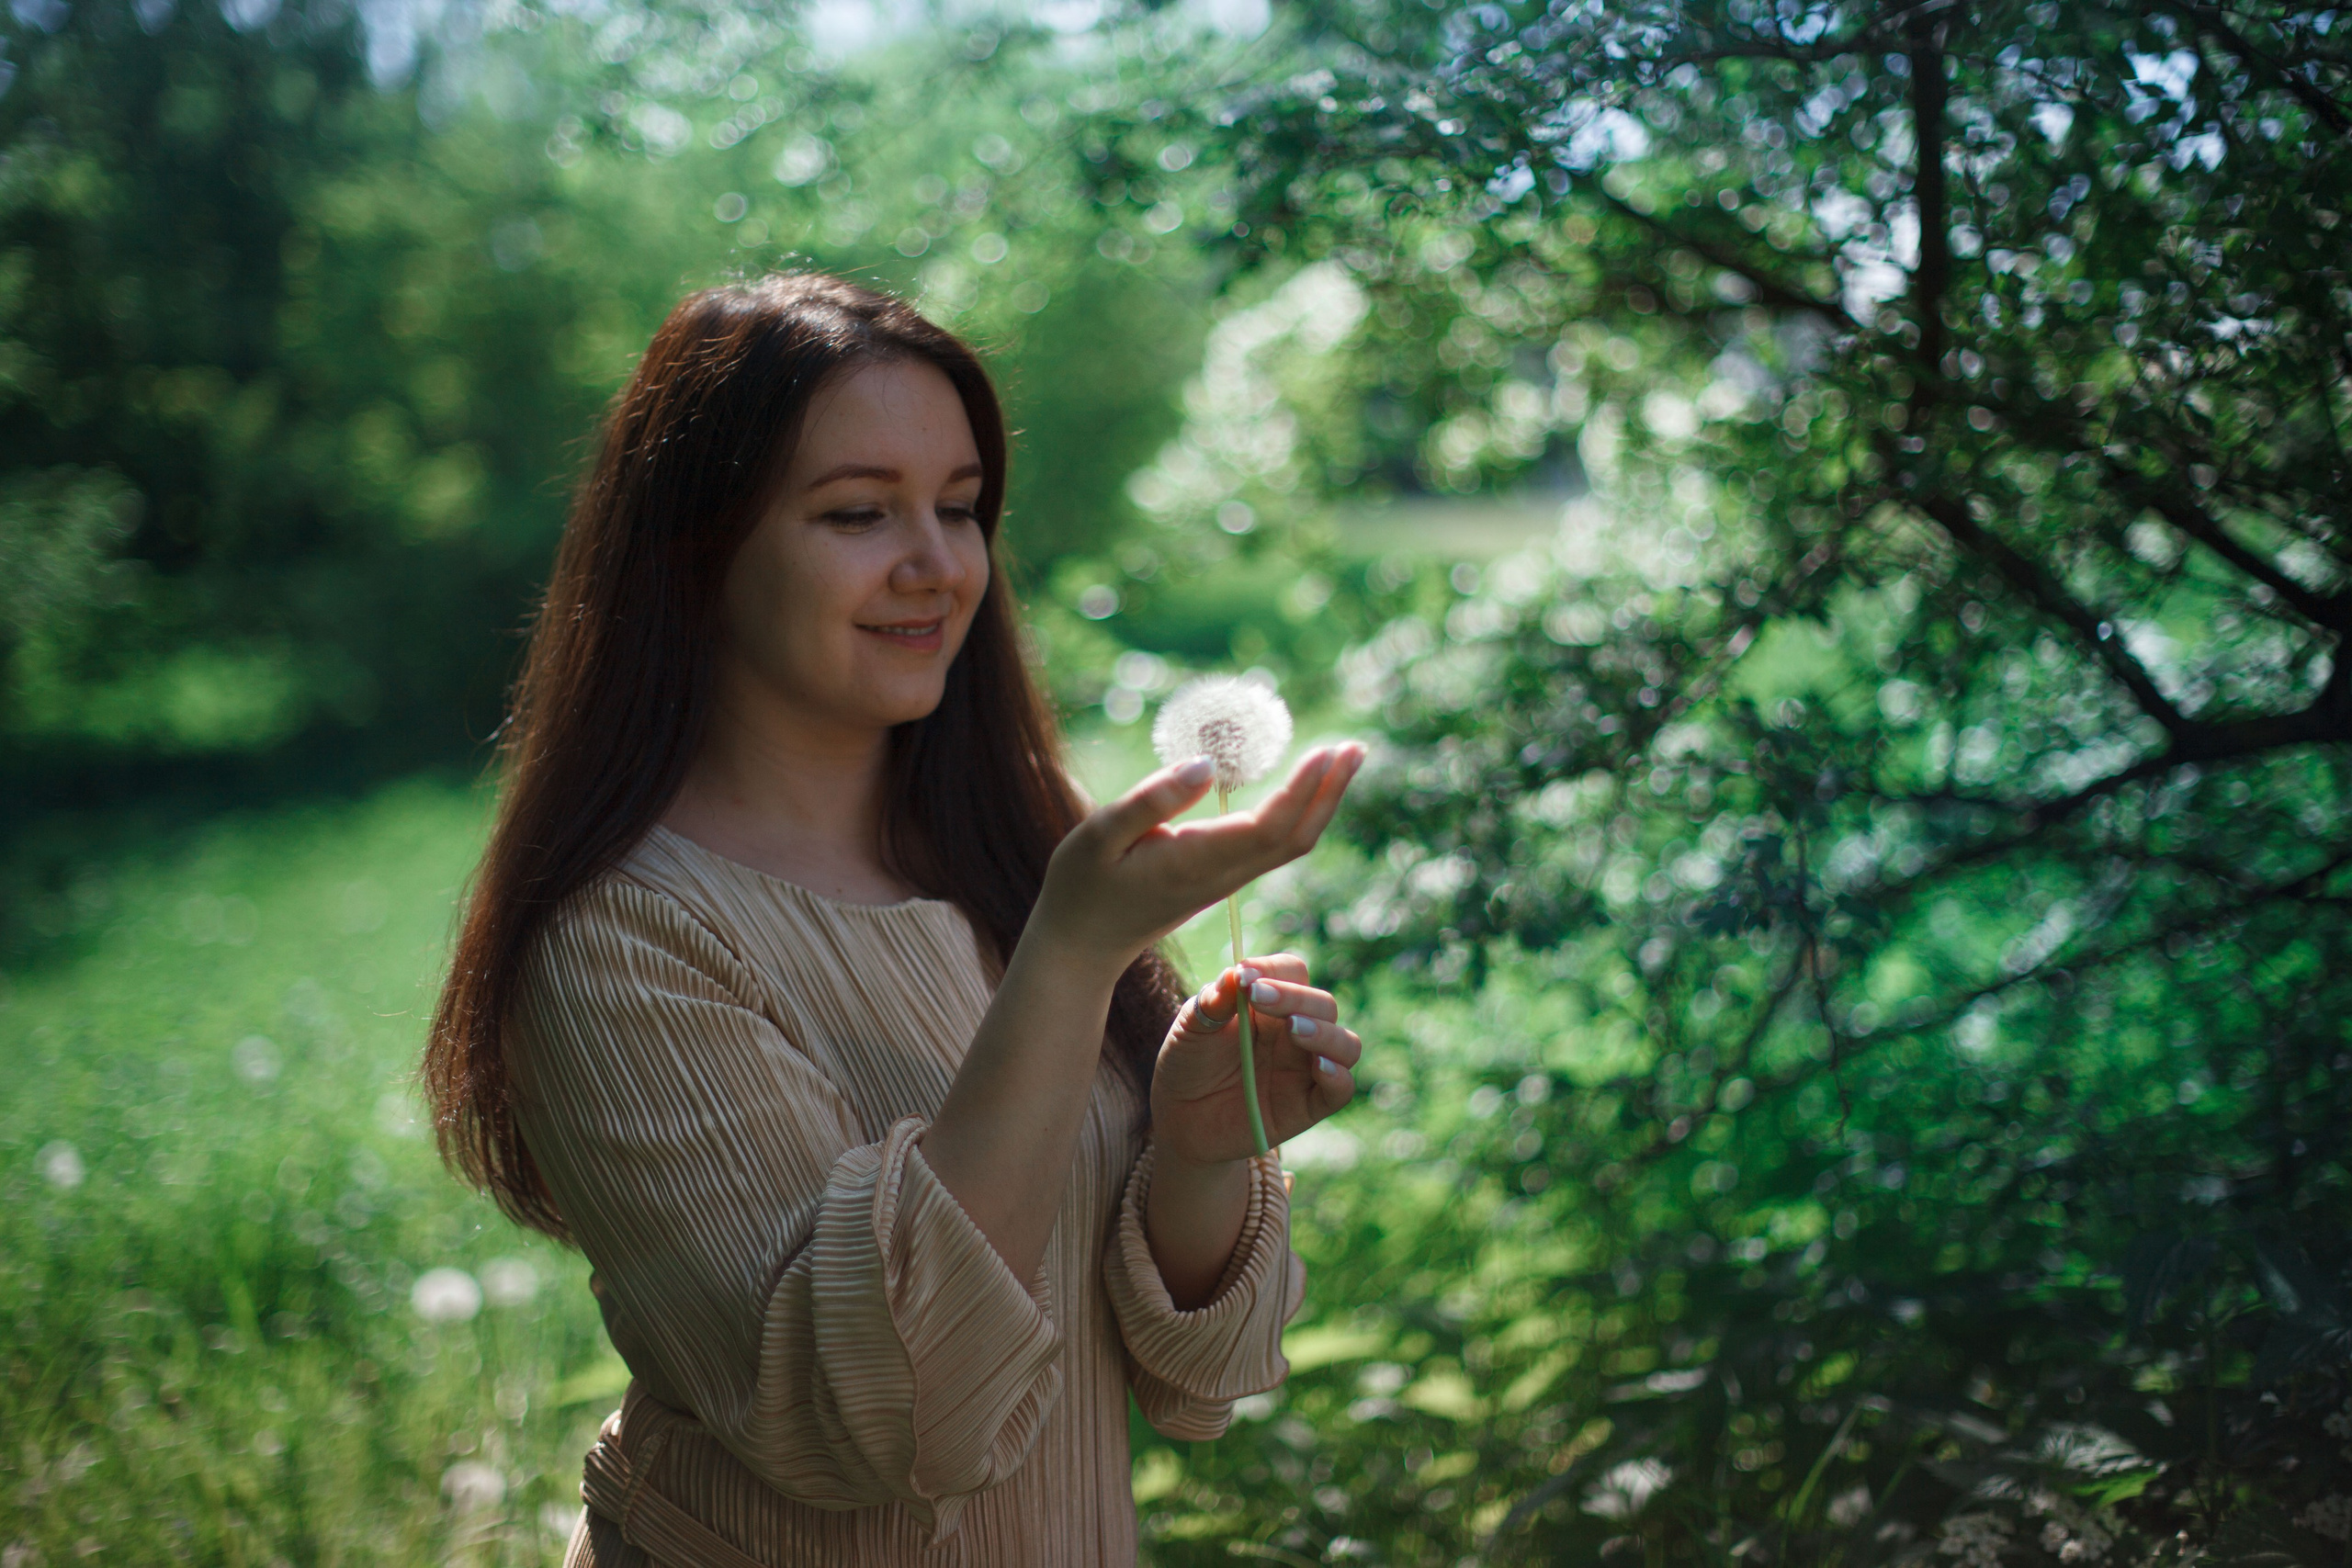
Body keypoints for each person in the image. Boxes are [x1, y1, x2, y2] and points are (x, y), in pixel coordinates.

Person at [424, 273, 1366, 1566]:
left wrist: (1202, 1151)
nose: (938, 566)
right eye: (860, 512)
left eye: (960, 508)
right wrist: (1072, 956)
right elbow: (874, 1427)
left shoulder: (1007, 846)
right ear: (695, 544)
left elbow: (1189, 1373)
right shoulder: (624, 939)